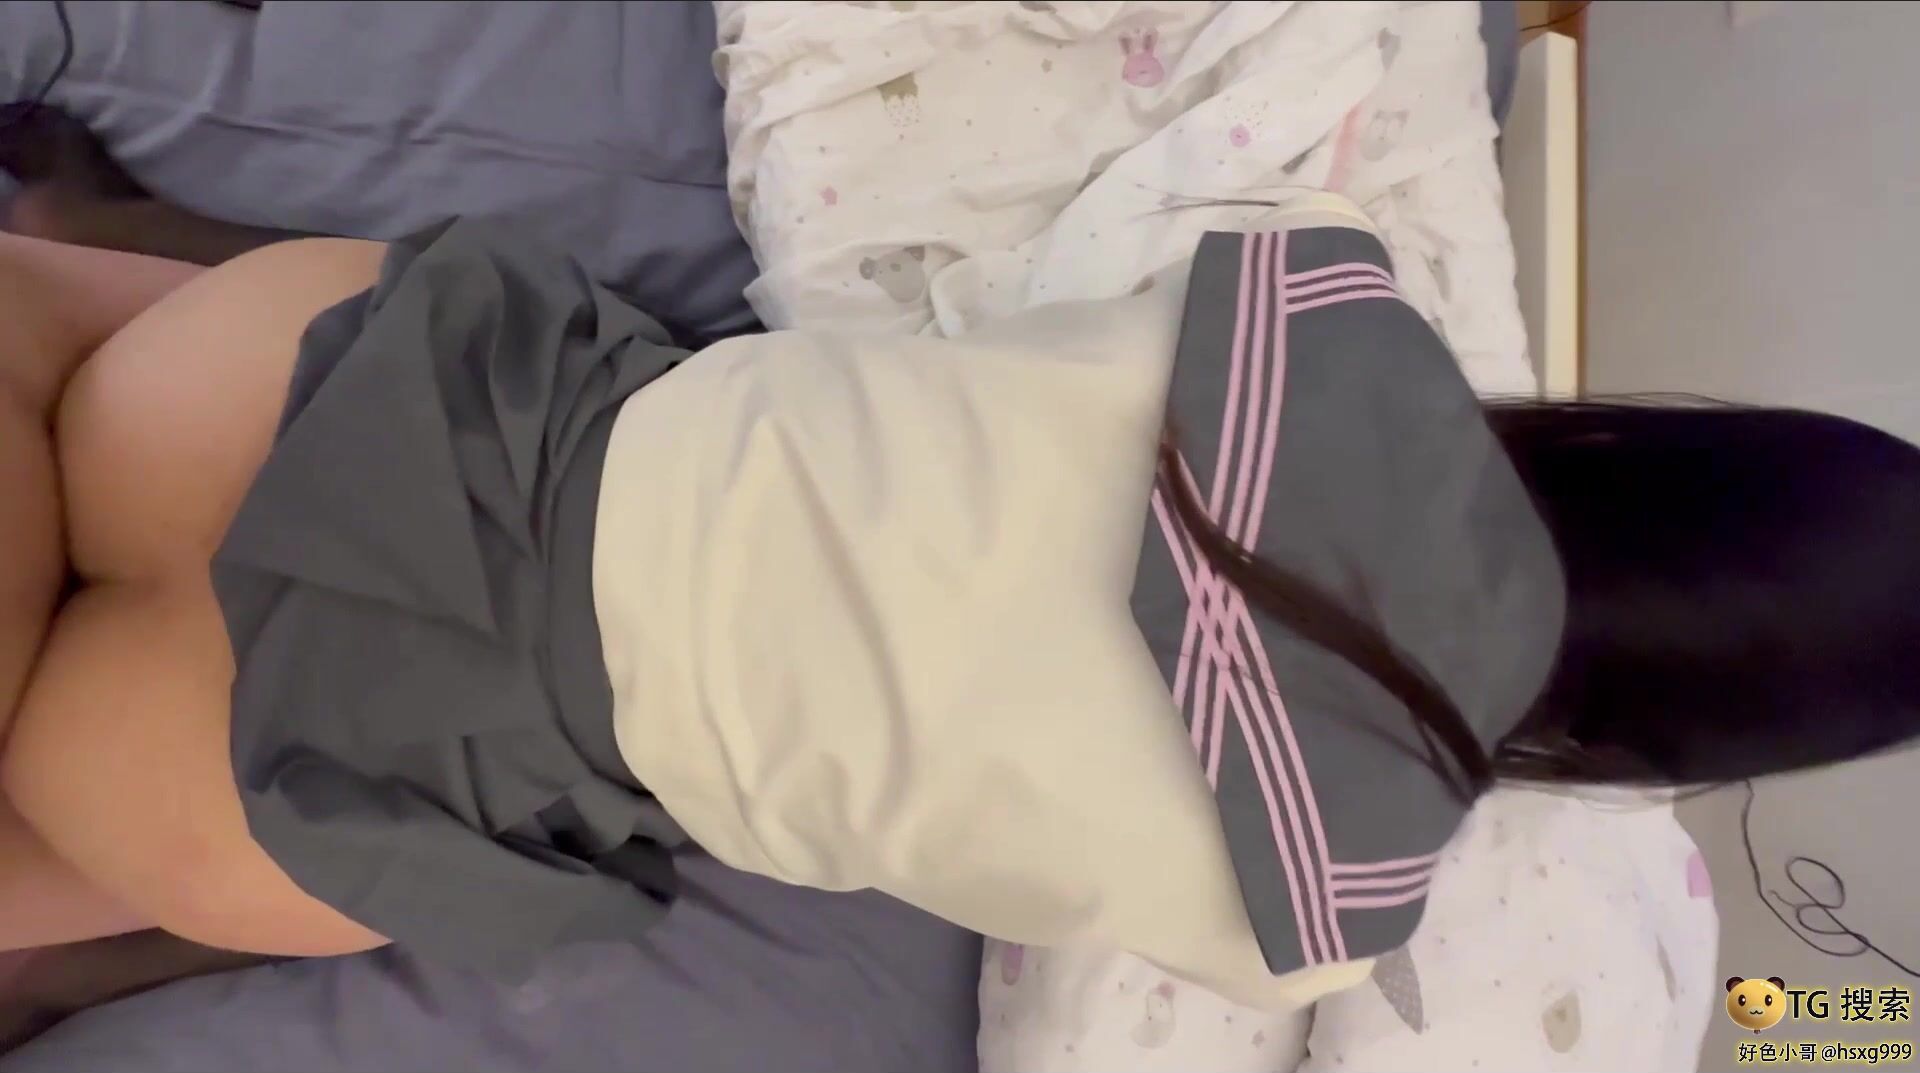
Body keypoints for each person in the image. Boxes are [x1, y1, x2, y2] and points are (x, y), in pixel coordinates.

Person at [3, 105, 1918, 1013]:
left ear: (1664, 443)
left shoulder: (1317, 298)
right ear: (1670, 750)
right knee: (98, 828)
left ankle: (71, 282)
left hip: (393, 402)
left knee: (75, 352)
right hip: (353, 761)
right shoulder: (1313, 919)